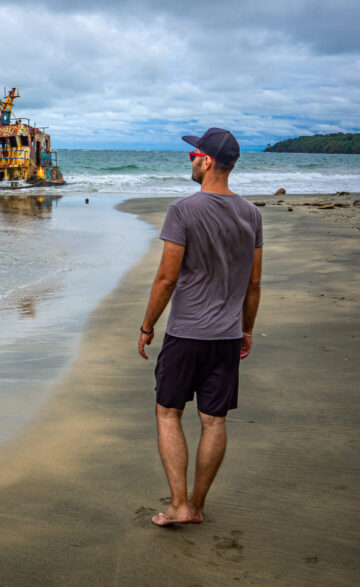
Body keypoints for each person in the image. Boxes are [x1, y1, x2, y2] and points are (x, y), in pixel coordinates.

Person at [137, 128, 263, 526]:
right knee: (214, 420)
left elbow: (166, 279)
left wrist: (146, 326)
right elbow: (254, 283)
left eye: (193, 154)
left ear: (207, 161)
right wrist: (246, 330)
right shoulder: (252, 214)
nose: (189, 159)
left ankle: (178, 505)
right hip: (226, 337)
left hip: (187, 334)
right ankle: (197, 506)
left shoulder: (183, 210)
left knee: (169, 413)